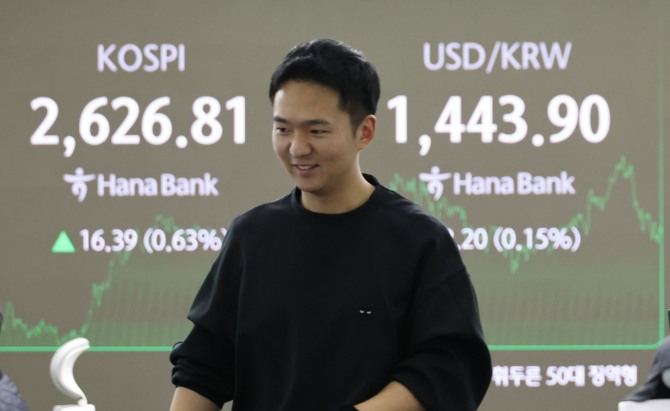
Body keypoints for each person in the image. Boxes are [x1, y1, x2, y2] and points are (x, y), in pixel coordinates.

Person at [169, 38, 492, 411]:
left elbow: (448, 366)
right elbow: (202, 368)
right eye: (283, 129)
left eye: (317, 131)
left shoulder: (418, 240)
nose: (297, 148)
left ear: (364, 132)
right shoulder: (252, 237)